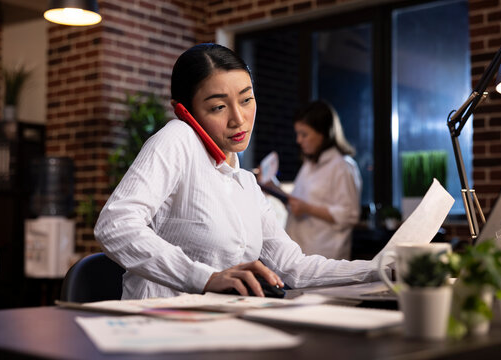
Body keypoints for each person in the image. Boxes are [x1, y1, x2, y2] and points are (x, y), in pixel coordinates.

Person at [94, 43, 378, 300]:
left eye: (246, 99)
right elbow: (115, 224)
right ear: (184, 112)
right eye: (218, 107)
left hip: (221, 330)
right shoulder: (178, 138)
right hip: (159, 330)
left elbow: (295, 268)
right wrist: (204, 278)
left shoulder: (245, 183)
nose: (238, 119)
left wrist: (382, 269)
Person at [285, 100, 362, 260]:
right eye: (297, 134)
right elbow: (299, 202)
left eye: (304, 134)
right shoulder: (309, 164)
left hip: (325, 255)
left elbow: (349, 215)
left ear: (323, 133)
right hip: (301, 252)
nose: (299, 140)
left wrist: (308, 208)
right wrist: (272, 187)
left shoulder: (342, 166)